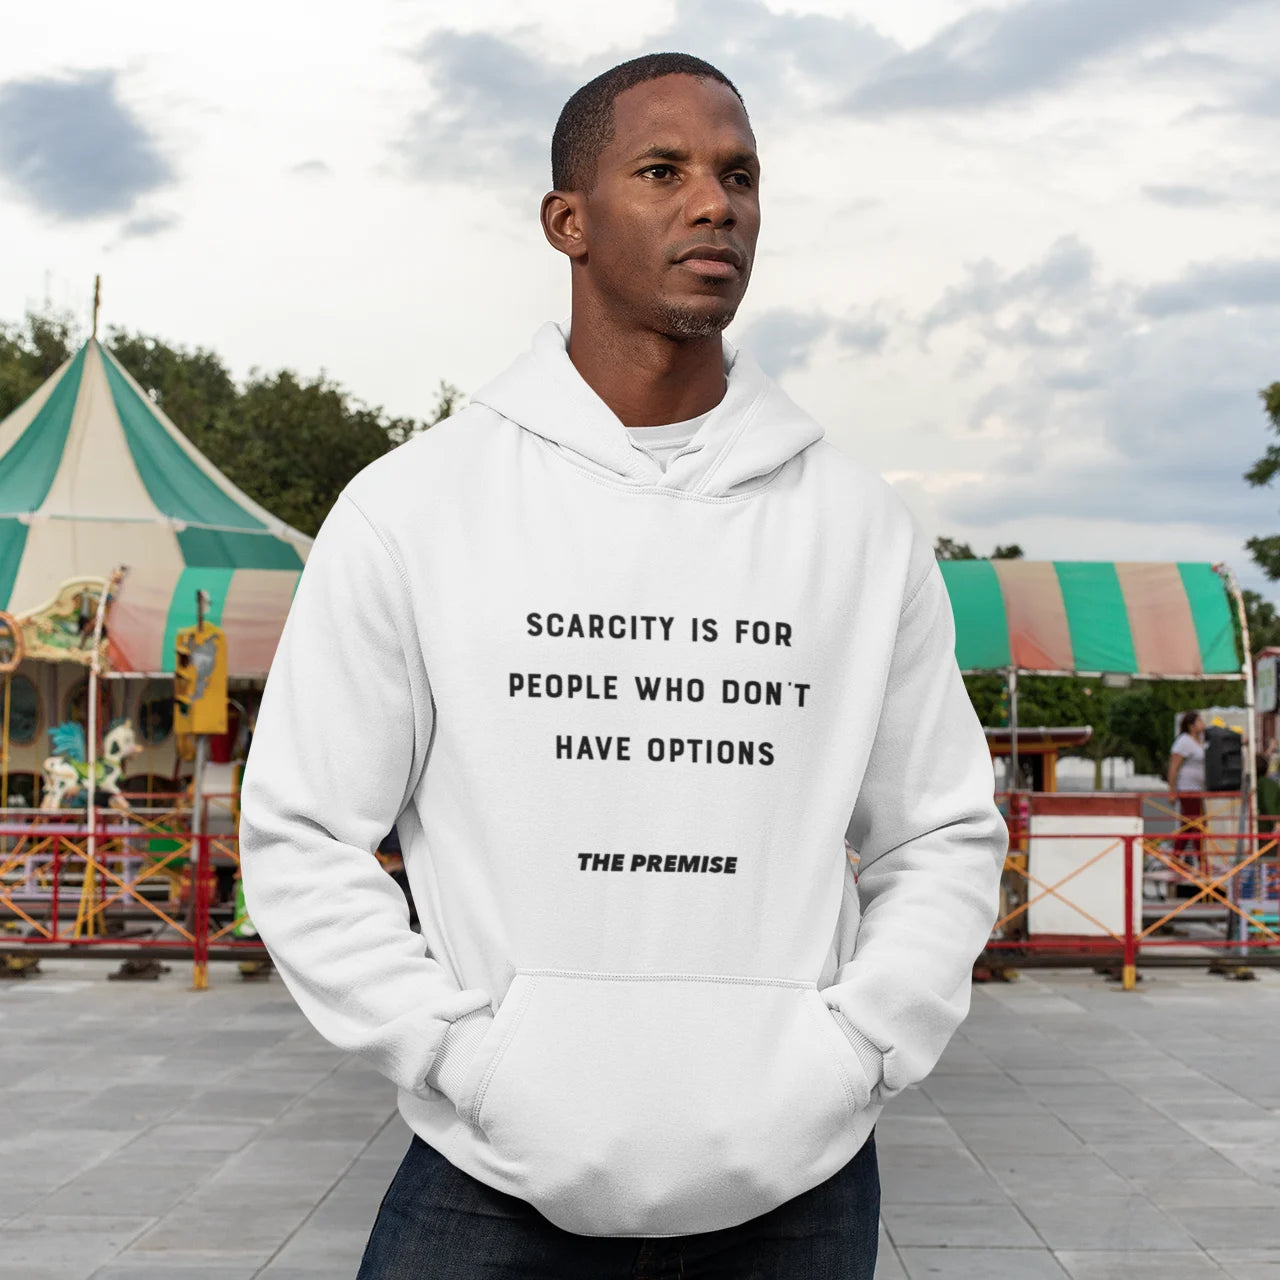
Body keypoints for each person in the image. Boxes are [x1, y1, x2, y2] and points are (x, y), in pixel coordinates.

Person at [238, 52, 1006, 1279]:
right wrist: (456, 1055)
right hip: (490, 1174)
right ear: (568, 220)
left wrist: (857, 1044)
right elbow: (303, 830)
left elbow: (939, 831)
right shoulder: (413, 508)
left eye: (739, 175)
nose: (718, 204)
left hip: (794, 1180)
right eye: (664, 171)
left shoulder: (857, 528)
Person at [1168, 711, 1207, 862]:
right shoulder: (1184, 741)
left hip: (1199, 787)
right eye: (1199, 721)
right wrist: (1172, 790)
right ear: (1191, 726)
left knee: (1188, 824)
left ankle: (1176, 856)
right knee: (1196, 823)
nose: (1202, 723)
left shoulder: (1202, 739)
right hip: (1187, 787)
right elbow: (1174, 767)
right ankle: (1201, 859)